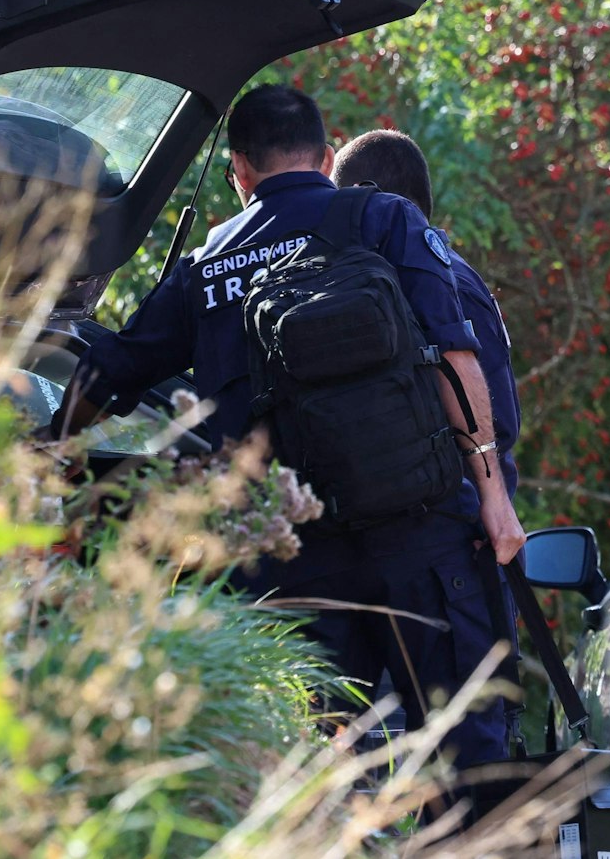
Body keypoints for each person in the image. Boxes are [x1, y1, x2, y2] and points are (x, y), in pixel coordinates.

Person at [53, 84, 524, 770]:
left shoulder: (205, 267)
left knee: (308, 771)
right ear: (327, 156)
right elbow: (456, 354)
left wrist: (49, 448)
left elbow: (108, 370)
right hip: (422, 535)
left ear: (239, 170)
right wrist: (493, 495)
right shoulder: (384, 218)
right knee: (466, 759)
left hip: (288, 559)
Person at [332, 129, 521, 498]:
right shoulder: (391, 278)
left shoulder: (448, 283)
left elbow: (496, 423)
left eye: (341, 199)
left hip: (463, 522)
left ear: (363, 193)